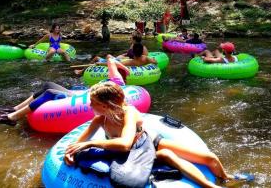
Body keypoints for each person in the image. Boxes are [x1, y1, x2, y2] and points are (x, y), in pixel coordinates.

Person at [64, 81, 253, 188]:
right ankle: (209, 186)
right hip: (133, 157)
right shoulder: (100, 120)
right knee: (166, 156)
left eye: (93, 102)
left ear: (106, 105)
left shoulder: (130, 113)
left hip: (150, 143)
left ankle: (225, 179)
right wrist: (69, 153)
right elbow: (78, 143)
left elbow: (125, 143)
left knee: (210, 159)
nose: (89, 106)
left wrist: (91, 144)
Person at [0, 82, 75, 126]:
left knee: (50, 92)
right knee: (48, 85)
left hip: (84, 100)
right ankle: (16, 109)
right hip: (85, 94)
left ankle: (12, 117)